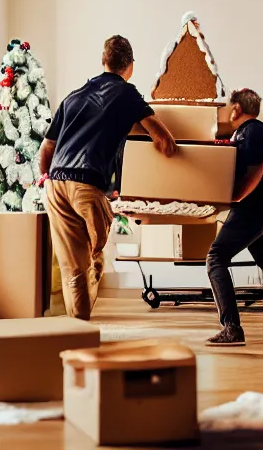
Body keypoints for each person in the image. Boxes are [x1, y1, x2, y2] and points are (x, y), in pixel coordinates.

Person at [39, 35, 177, 320]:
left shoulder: (72, 97)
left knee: (72, 269)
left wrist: (45, 177)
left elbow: (47, 147)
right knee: (96, 247)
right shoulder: (127, 94)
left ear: (103, 62)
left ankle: (79, 326)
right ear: (130, 66)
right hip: (87, 184)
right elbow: (163, 140)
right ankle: (95, 257)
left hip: (55, 186)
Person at [206, 88, 263, 347]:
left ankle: (232, 329)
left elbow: (258, 169)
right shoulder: (245, 133)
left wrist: (238, 198)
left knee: (216, 257)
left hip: (253, 209)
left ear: (237, 108)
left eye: (229, 105)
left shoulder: (252, 131)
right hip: (256, 210)